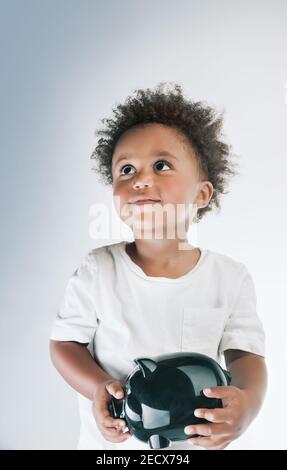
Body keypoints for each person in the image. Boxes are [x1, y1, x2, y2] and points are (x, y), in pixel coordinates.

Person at [49, 82, 267, 450]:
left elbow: (245, 355)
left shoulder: (229, 278)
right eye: (127, 169)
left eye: (161, 166)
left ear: (201, 194)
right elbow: (65, 344)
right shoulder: (99, 269)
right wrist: (97, 386)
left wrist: (247, 405)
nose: (141, 179)